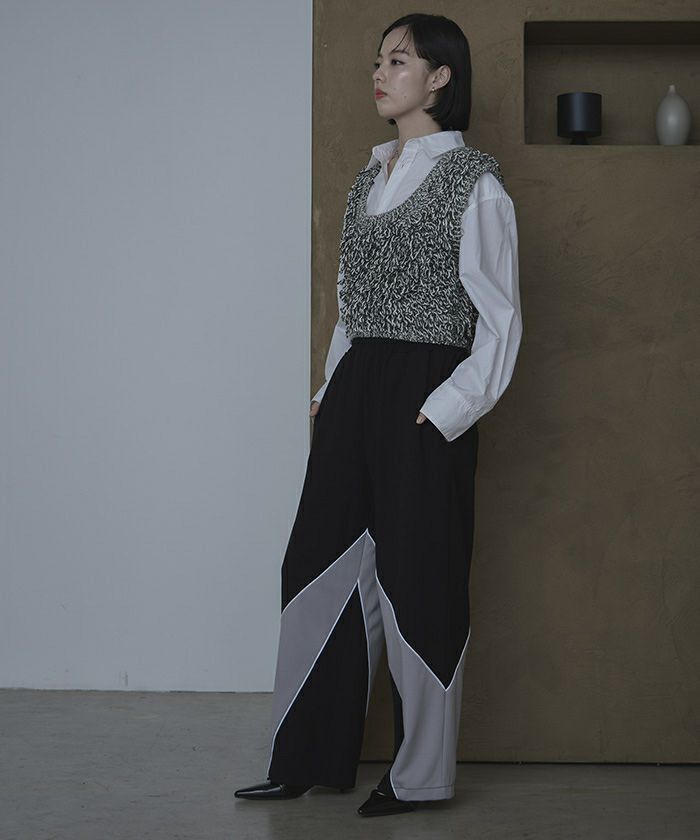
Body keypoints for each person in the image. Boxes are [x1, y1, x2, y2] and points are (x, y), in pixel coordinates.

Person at [235, 12, 522, 818]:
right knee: (317, 564)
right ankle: (305, 756)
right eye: (378, 60)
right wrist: (330, 386)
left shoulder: (476, 184)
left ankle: (421, 776)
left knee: (420, 576)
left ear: (440, 77)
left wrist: (447, 409)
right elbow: (351, 302)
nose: (381, 72)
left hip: (428, 391)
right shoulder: (367, 178)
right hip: (357, 384)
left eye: (399, 60)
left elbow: (501, 321)